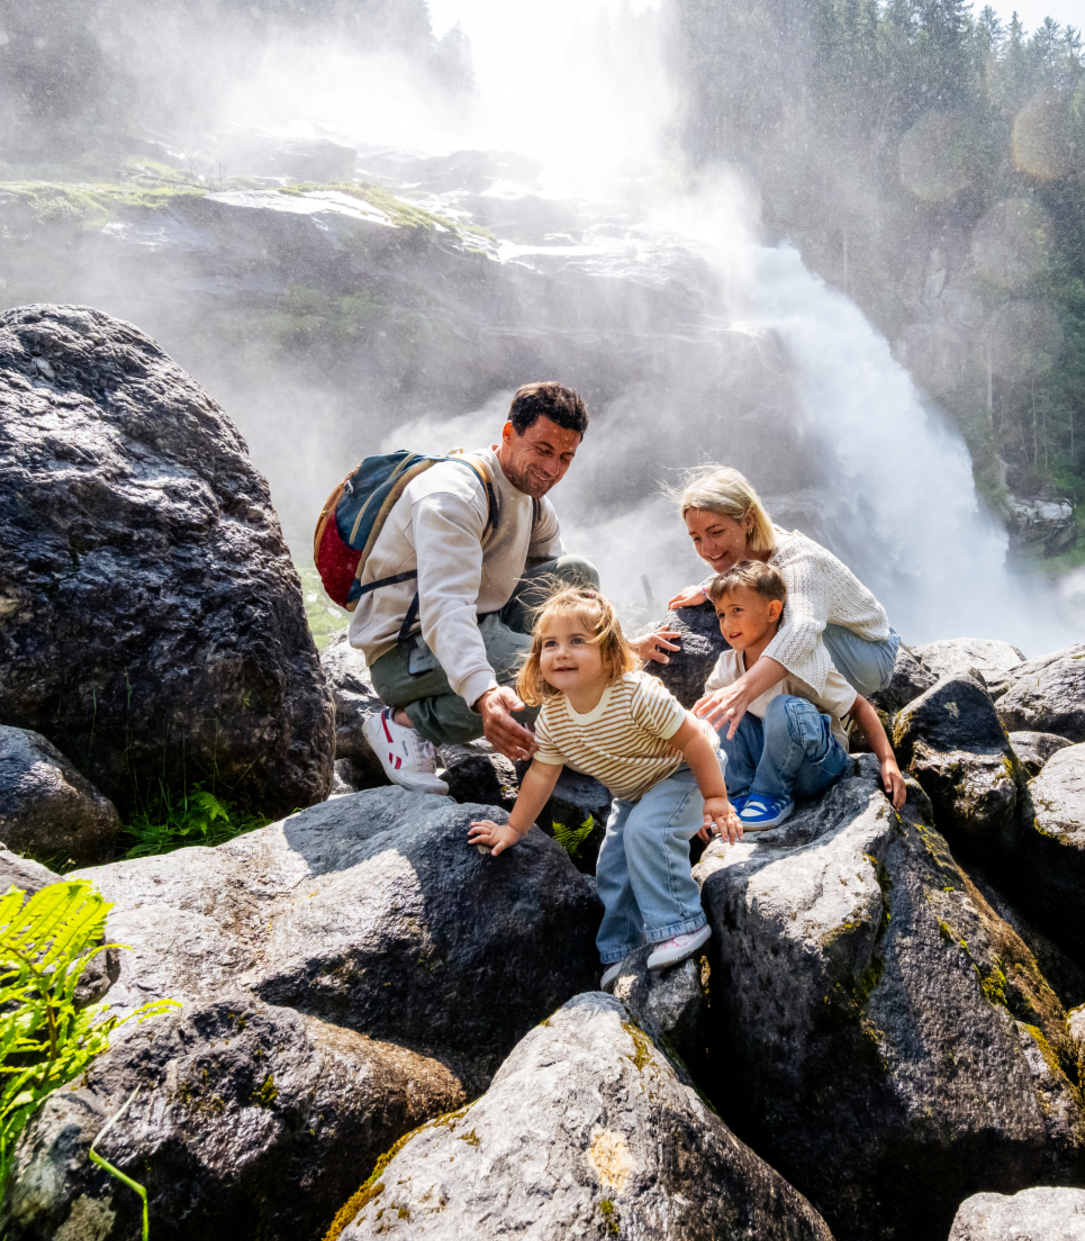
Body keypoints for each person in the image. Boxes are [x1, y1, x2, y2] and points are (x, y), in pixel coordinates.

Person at [352, 381, 675, 784]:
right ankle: (404, 723)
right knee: (557, 677)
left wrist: (614, 649)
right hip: (407, 650)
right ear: (508, 433)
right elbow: (445, 610)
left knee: (577, 575)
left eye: (565, 457)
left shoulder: (533, 501)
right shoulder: (453, 497)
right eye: (543, 449)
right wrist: (485, 694)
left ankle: (554, 716)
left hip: (484, 619)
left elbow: (564, 601)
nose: (553, 469)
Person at [468, 587, 742, 986]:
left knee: (648, 832)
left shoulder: (637, 694)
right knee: (613, 865)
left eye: (577, 641)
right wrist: (513, 828)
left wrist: (715, 797)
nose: (561, 653)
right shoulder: (554, 718)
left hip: (685, 772)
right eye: (550, 644)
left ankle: (681, 924)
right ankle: (622, 947)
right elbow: (541, 776)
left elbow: (694, 740)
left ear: (610, 652)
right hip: (633, 792)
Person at [668, 465, 902, 741]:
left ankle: (834, 716)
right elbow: (753, 574)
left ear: (748, 519)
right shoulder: (753, 550)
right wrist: (708, 589)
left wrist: (742, 690)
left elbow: (800, 630)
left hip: (869, 651)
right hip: (842, 644)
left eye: (716, 532)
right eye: (697, 538)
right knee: (752, 618)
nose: (707, 548)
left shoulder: (799, 559)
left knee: (774, 627)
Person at [703, 560, 907, 830]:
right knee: (715, 709)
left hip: (814, 767)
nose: (727, 623)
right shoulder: (727, 665)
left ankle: (771, 796)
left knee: (784, 708)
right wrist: (707, 797)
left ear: (773, 611)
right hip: (764, 760)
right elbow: (704, 733)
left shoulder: (805, 660)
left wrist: (888, 761)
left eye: (736, 610)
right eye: (721, 615)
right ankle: (738, 796)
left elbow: (858, 706)